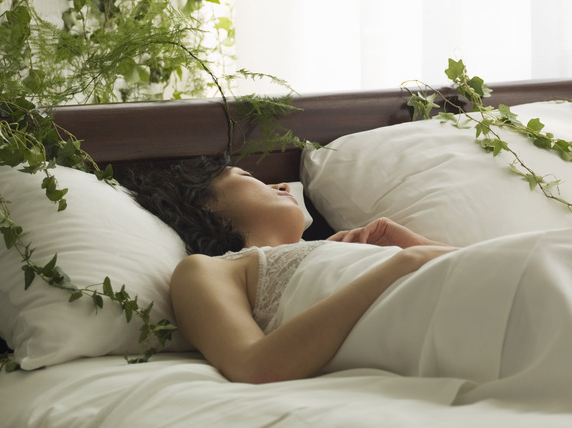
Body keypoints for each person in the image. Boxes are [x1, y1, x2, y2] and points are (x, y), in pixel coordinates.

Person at [129, 154, 457, 383]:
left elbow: (487, 260)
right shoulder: (207, 270)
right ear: (204, 203)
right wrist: (401, 264)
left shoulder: (346, 248)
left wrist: (412, 242)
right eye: (248, 176)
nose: (283, 185)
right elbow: (253, 366)